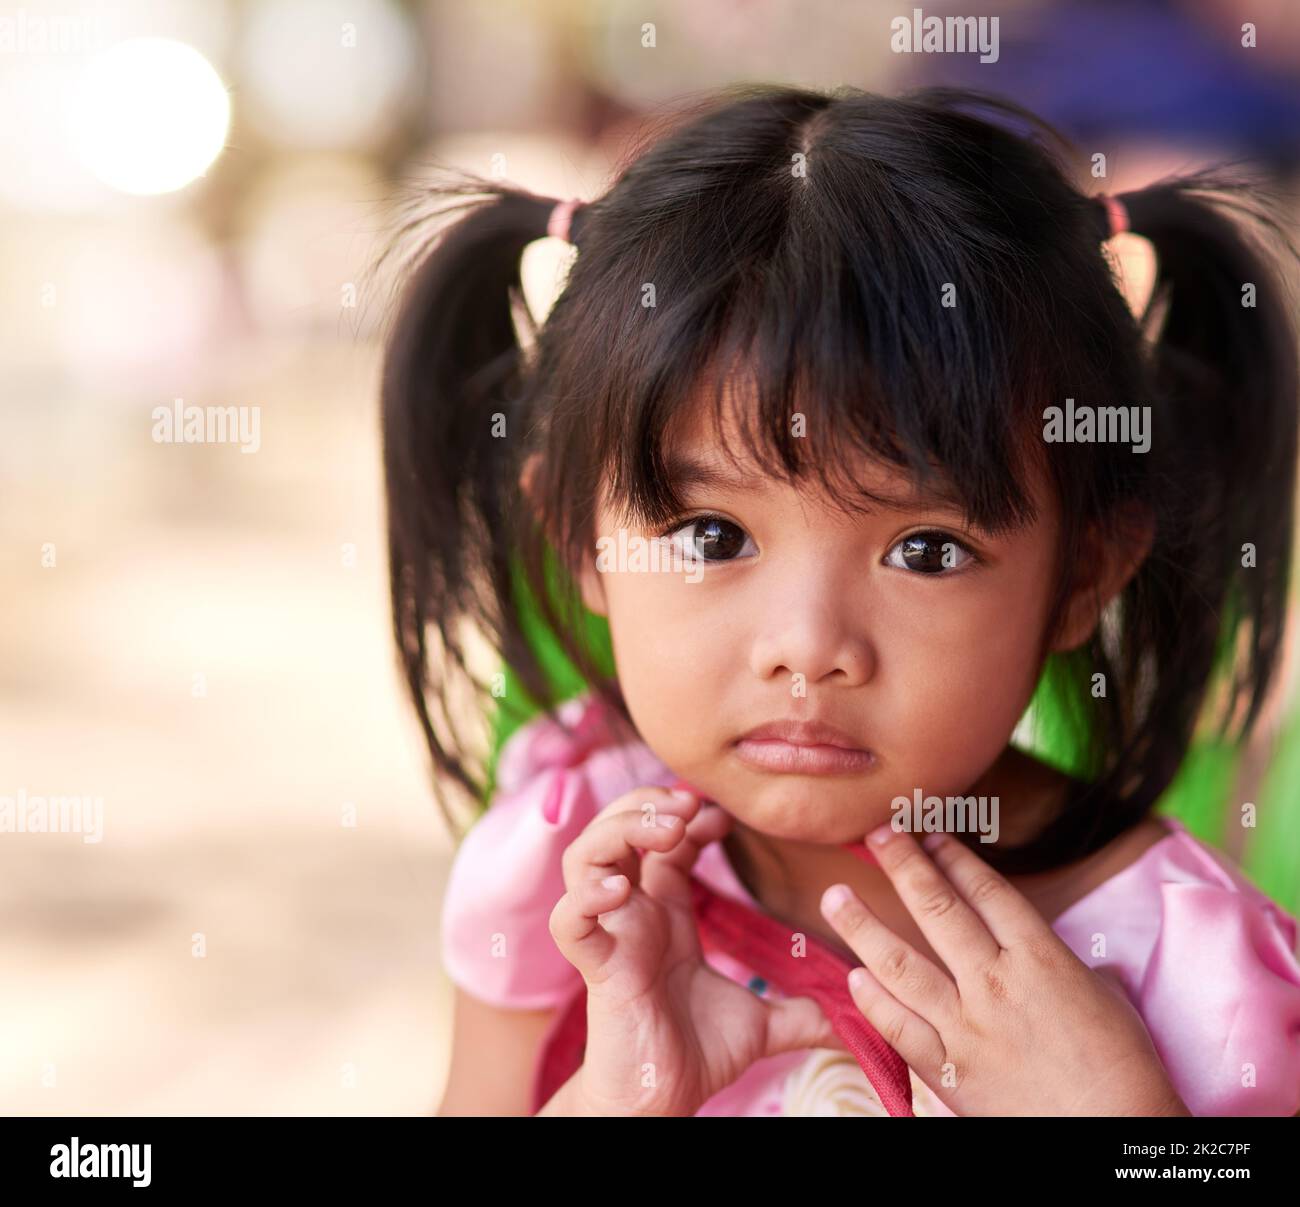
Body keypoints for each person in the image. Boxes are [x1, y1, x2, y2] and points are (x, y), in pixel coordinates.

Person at [379, 84, 1300, 1116]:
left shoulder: (1191, 972)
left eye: (926, 550)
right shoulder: (574, 867)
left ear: (1083, 573)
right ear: (579, 540)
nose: (808, 649)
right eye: (712, 536)